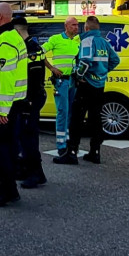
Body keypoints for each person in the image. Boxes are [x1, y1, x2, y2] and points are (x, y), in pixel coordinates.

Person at [56, 16, 120, 165]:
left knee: (76, 119)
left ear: (86, 28)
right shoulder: (104, 42)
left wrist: (79, 76)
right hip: (99, 86)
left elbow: (85, 61)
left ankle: (71, 153)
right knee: (96, 119)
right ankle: (95, 152)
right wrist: (102, 73)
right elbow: (115, 60)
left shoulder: (87, 41)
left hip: (86, 85)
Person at [0, 3, 28, 207]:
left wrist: (2, 110)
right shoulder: (7, 37)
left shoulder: (6, 41)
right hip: (7, 102)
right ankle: (6, 186)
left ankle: (9, 189)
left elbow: (7, 78)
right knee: (4, 147)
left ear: (0, 16)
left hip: (3, 104)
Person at [15, 17, 48, 189]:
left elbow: (35, 79)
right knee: (23, 136)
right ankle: (31, 171)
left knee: (29, 139)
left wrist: (28, 101)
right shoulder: (27, 47)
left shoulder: (31, 49)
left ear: (18, 31)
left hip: (30, 99)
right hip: (27, 99)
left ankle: (36, 174)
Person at [43, 17, 80, 156]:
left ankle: (67, 140)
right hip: (61, 81)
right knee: (63, 112)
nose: (76, 27)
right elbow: (41, 53)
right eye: (73, 25)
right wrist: (52, 68)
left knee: (70, 112)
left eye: (77, 25)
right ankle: (61, 144)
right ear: (66, 26)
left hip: (73, 81)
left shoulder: (78, 41)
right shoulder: (55, 39)